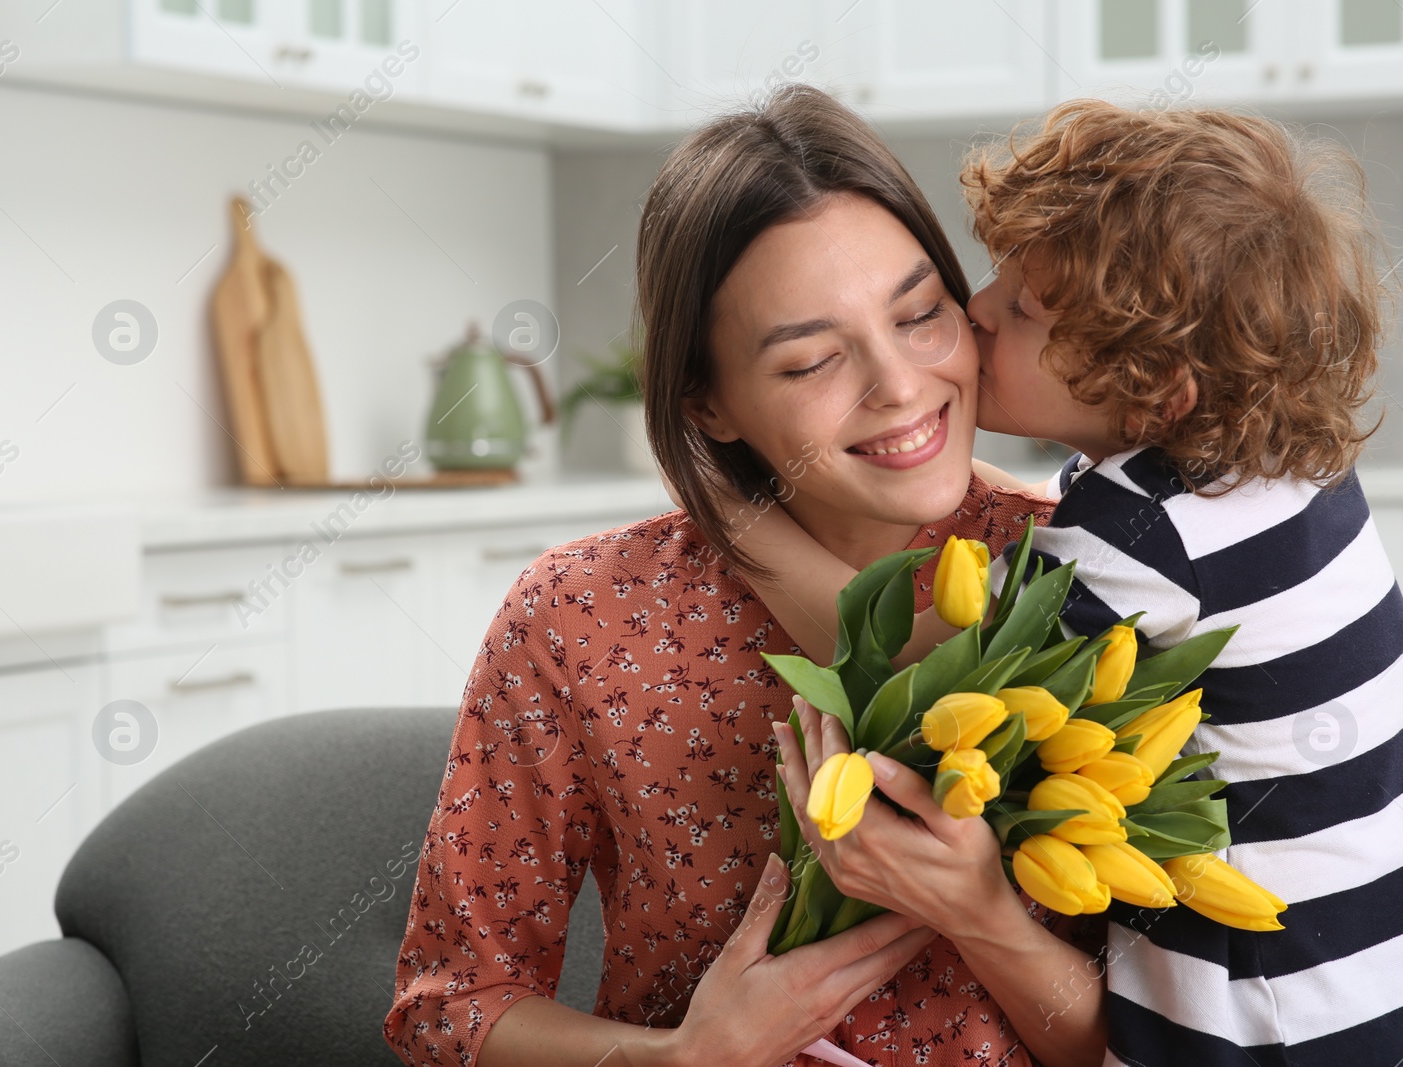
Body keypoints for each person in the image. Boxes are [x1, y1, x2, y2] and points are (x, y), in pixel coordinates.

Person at [720, 100, 1403, 1066]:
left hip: (1280, 1024)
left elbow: (913, 663)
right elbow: (1090, 504)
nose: (979, 310)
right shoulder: (1286, 468)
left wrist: (735, 516)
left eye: (1026, 309)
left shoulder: (1139, 537)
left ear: (1155, 383)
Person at [382, 85, 1107, 1067]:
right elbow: (448, 1002)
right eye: (811, 362)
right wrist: (685, 1056)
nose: (899, 386)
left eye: (921, 315)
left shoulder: (1092, 579)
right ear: (707, 400)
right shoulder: (579, 616)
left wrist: (984, 917)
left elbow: (1182, 1044)